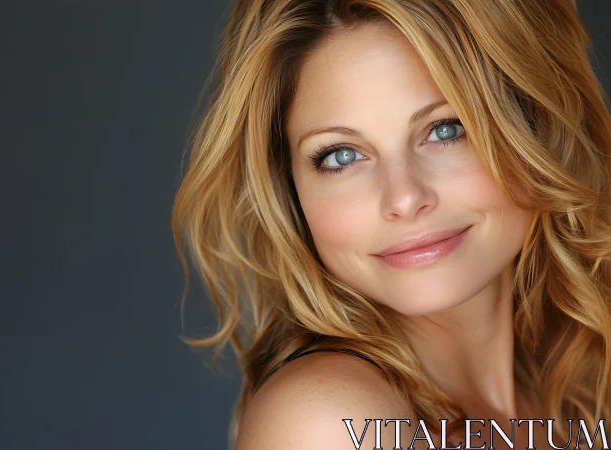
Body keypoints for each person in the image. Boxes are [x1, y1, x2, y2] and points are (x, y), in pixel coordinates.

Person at [171, 1, 611, 449]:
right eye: (342, 155)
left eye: (445, 129)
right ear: (290, 188)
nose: (404, 198)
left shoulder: (583, 392)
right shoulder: (331, 421)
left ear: (539, 126)